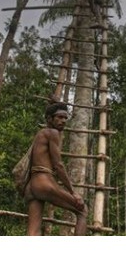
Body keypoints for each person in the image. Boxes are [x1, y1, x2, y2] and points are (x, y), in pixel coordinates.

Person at [24, 101, 87, 236]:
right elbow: (58, 165)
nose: (63, 121)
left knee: (33, 231)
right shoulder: (52, 133)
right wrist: (73, 192)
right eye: (59, 117)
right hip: (44, 182)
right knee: (82, 210)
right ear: (49, 119)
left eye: (65, 118)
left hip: (32, 186)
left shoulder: (41, 133)